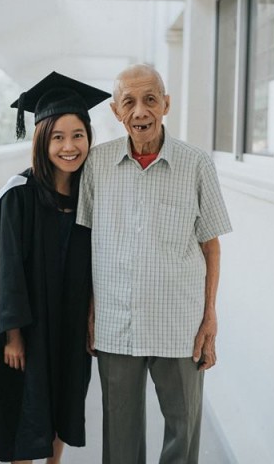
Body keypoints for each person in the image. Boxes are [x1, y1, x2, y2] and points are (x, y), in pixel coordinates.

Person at [0, 71, 111, 463]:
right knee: (22, 411)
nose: (69, 146)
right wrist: (14, 336)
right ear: (41, 140)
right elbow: (5, 269)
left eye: (78, 135)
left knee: (62, 403)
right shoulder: (18, 196)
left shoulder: (91, 197)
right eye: (58, 136)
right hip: (27, 330)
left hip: (69, 325)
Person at [76, 63, 232, 464]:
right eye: (129, 102)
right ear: (115, 111)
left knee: (184, 430)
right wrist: (90, 309)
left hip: (180, 321)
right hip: (116, 320)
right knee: (119, 436)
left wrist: (210, 316)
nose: (140, 111)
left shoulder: (196, 164)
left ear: (166, 104)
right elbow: (84, 241)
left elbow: (210, 245)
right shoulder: (96, 165)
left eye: (150, 100)